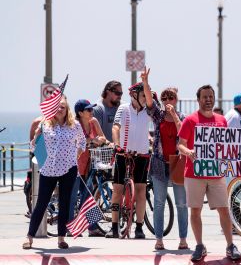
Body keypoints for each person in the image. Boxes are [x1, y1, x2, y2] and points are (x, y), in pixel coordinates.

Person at [178, 85, 241, 262]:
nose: (208, 100)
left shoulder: (222, 120)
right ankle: (199, 245)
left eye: (210, 96)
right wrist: (188, 151)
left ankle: (230, 245)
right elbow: (180, 144)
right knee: (195, 211)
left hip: (216, 173)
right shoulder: (190, 120)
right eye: (204, 97)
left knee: (224, 209)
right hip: (193, 173)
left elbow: (228, 146)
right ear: (198, 99)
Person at [23, 96, 86, 249]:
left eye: (62, 107)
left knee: (65, 203)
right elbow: (33, 147)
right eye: (57, 107)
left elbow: (82, 141)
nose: (59, 109)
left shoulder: (75, 125)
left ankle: (61, 238)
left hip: (68, 169)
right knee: (41, 204)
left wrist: (77, 153)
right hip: (48, 169)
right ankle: (29, 237)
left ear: (67, 109)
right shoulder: (45, 125)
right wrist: (37, 136)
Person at [143, 70, 189, 251]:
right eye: (165, 98)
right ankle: (159, 239)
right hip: (160, 163)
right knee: (160, 202)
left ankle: (183, 239)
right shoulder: (158, 115)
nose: (168, 101)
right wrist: (146, 83)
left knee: (181, 203)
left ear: (176, 100)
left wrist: (175, 115)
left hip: (177, 163)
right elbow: (148, 101)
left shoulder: (184, 117)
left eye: (171, 98)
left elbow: (182, 132)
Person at [106, 80, 151, 239]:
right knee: (117, 190)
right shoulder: (124, 108)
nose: (146, 98)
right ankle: (114, 227)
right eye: (143, 95)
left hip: (142, 155)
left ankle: (139, 227)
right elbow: (116, 127)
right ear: (134, 96)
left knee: (141, 191)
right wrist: (117, 145)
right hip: (123, 154)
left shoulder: (148, 111)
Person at [69, 99, 107, 237]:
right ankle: (70, 227)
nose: (92, 112)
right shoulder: (74, 124)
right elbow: (73, 142)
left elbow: (103, 137)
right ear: (80, 113)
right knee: (72, 197)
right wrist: (92, 140)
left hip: (88, 164)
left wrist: (103, 141)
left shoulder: (94, 122)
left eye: (92, 109)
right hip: (75, 165)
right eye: (89, 110)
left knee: (89, 196)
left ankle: (92, 227)